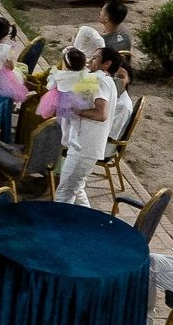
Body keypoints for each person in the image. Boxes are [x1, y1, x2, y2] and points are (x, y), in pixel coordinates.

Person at [49, 47, 120, 206]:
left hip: (84, 147)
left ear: (106, 64)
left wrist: (76, 110)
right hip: (87, 147)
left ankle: (58, 227)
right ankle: (88, 222)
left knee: (64, 193)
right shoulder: (105, 81)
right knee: (77, 189)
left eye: (95, 58)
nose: (90, 60)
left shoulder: (100, 80)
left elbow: (101, 114)